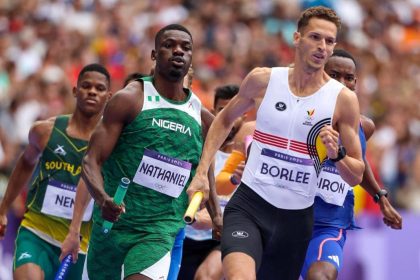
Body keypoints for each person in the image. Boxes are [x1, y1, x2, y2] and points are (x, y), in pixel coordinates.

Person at [187, 6, 365, 279]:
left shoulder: (342, 99)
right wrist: (201, 172)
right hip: (249, 205)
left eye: (329, 41)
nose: (322, 47)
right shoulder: (264, 80)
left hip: (296, 219)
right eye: (315, 37)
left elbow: (356, 174)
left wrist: (337, 154)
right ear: (296, 38)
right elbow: (223, 121)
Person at [71, 24, 222, 280]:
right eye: (169, 45)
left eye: (185, 48)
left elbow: (204, 169)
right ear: (153, 55)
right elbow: (91, 160)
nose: (178, 51)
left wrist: (217, 215)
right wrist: (103, 198)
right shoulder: (129, 99)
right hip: (114, 225)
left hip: (159, 229)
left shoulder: (201, 116)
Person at [0, 63, 112, 280]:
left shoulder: (111, 146)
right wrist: (3, 208)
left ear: (108, 96)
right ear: (75, 91)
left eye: (99, 89)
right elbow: (24, 164)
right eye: (86, 86)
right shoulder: (45, 131)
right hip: (36, 233)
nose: (91, 91)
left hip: (79, 247)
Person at [301, 49, 402, 280]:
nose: (342, 83)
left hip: (328, 224)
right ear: (321, 75)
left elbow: (359, 162)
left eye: (349, 78)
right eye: (335, 75)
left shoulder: (364, 127)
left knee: (321, 276)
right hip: (286, 217)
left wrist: (381, 198)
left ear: (356, 83)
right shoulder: (300, 115)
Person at [179, 84, 245, 280]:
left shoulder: (248, 158)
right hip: (186, 234)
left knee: (205, 277)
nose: (229, 117)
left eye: (236, 111)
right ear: (213, 112)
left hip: (222, 237)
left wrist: (214, 219)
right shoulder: (196, 149)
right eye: (222, 110)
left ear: (245, 116)